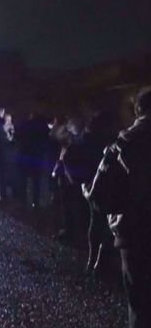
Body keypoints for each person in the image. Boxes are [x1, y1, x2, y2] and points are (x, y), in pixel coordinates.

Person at [84, 87, 151, 328]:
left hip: (136, 238)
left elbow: (100, 196)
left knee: (140, 307)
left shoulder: (124, 144)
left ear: (138, 110)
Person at [64, 111, 119, 270]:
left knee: (95, 221)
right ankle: (99, 258)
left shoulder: (83, 138)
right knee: (104, 222)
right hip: (102, 184)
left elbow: (68, 157)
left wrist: (78, 179)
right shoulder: (104, 139)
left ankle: (94, 258)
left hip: (91, 185)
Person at [18, 112, 50, 209]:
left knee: (24, 180)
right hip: (36, 156)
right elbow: (46, 140)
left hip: (25, 155)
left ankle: (23, 201)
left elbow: (19, 137)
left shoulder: (25, 124)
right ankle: (35, 202)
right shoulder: (43, 127)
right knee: (36, 181)